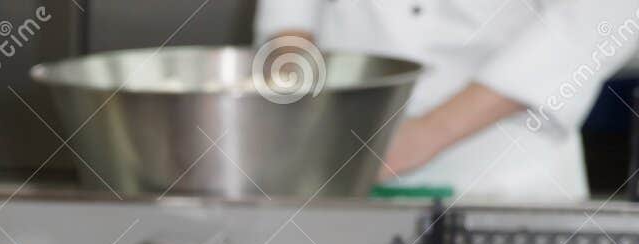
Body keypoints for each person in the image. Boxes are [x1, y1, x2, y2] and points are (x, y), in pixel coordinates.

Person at [256, 0, 639, 201]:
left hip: (504, 170)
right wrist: (295, 94)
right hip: (335, 157)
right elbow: (291, 18)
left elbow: (604, 12)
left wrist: (423, 135)